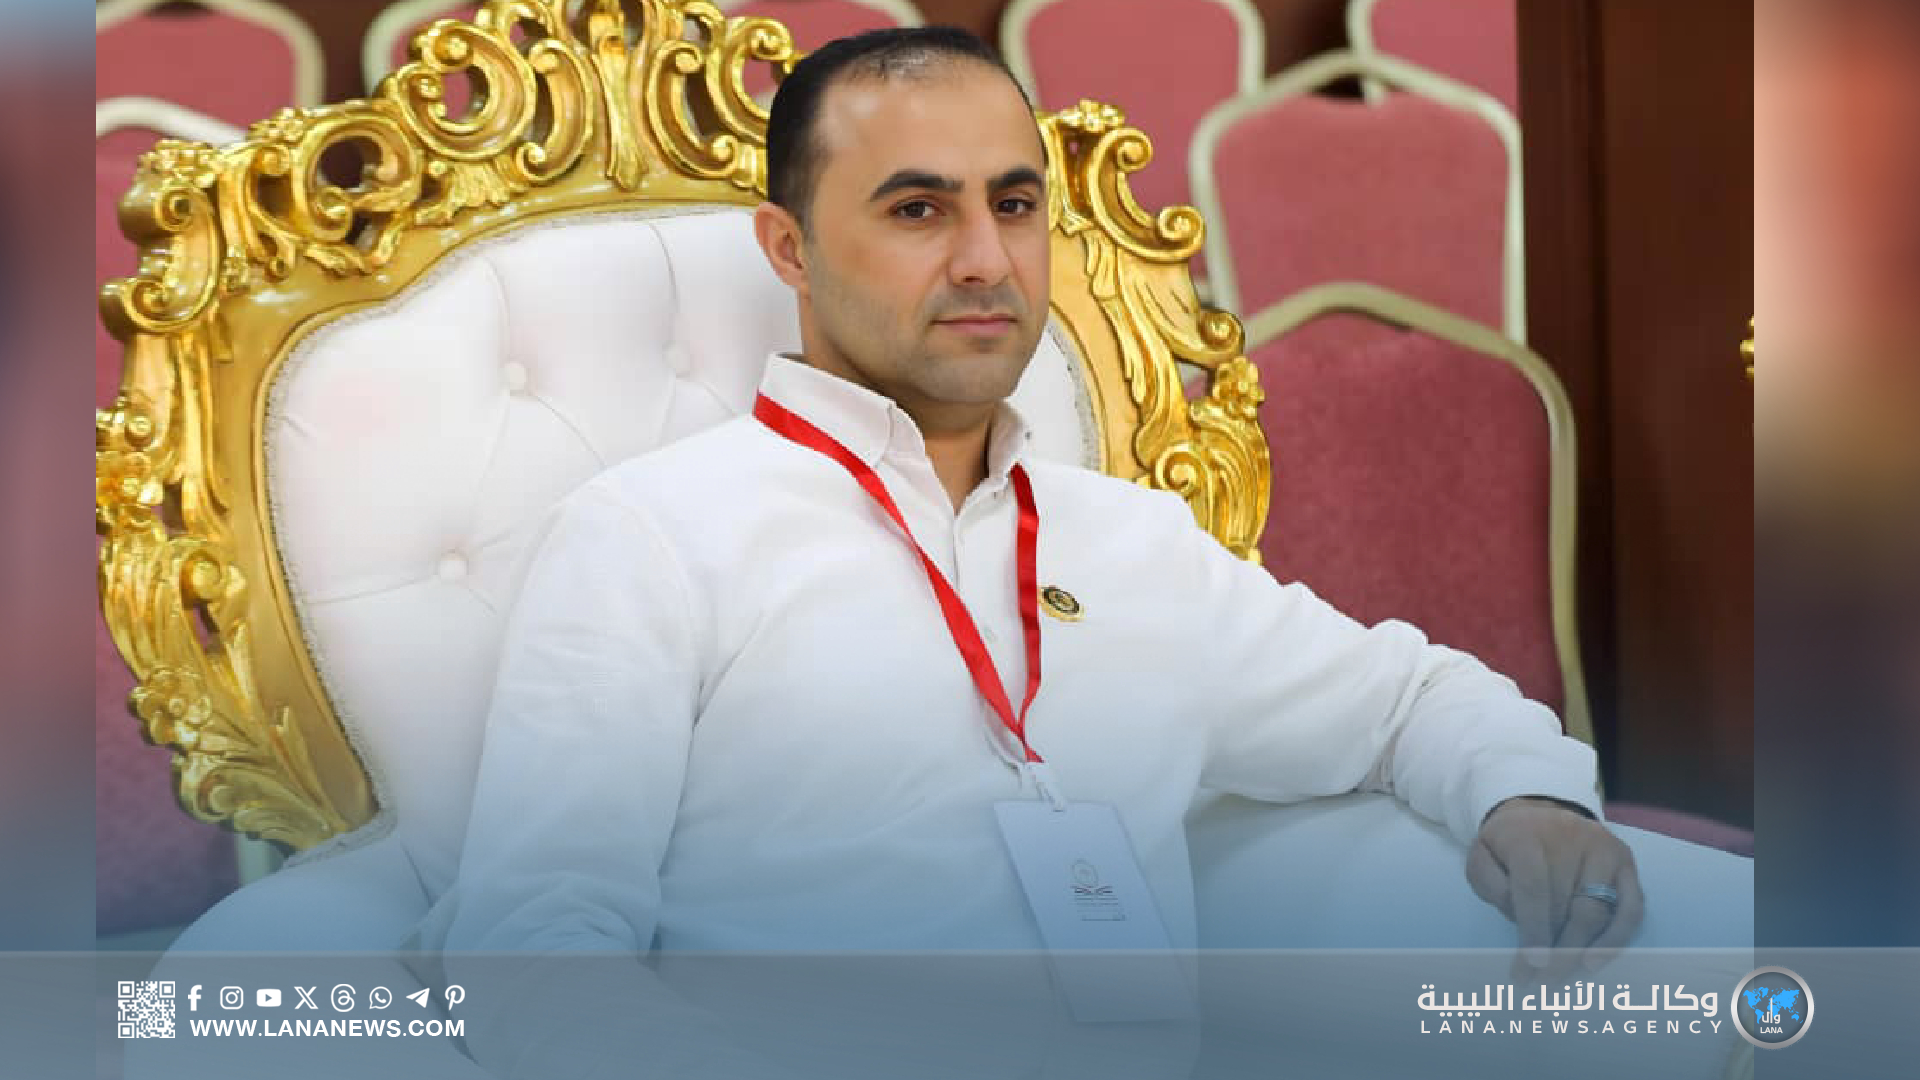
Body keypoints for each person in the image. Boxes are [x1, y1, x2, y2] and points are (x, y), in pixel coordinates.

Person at [423, 27, 1640, 1078]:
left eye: (1013, 205)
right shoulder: (652, 538)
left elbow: (1403, 701)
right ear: (788, 249)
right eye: (918, 210)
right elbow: (534, 953)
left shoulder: (1131, 540)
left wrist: (1525, 793)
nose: (986, 260)